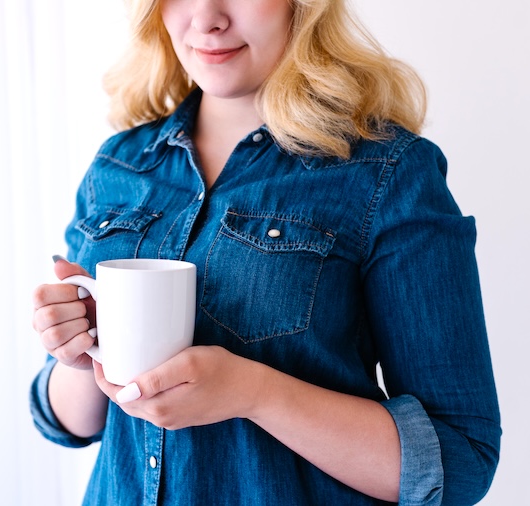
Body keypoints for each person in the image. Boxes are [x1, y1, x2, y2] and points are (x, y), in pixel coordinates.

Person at [30, 0, 501, 504]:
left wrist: (253, 393)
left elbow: (460, 460)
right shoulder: (118, 164)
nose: (207, 18)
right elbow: (64, 422)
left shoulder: (388, 174)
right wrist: (80, 355)